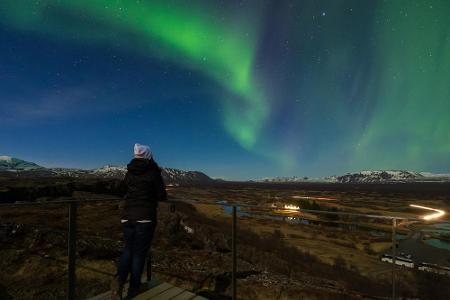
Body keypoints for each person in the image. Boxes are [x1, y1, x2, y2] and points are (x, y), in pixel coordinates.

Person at [111, 143, 167, 299]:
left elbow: (124, 190)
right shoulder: (152, 172)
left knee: (128, 249)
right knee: (139, 253)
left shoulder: (129, 172)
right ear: (148, 155)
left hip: (127, 216)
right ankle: (134, 287)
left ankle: (118, 280)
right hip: (145, 217)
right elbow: (162, 195)